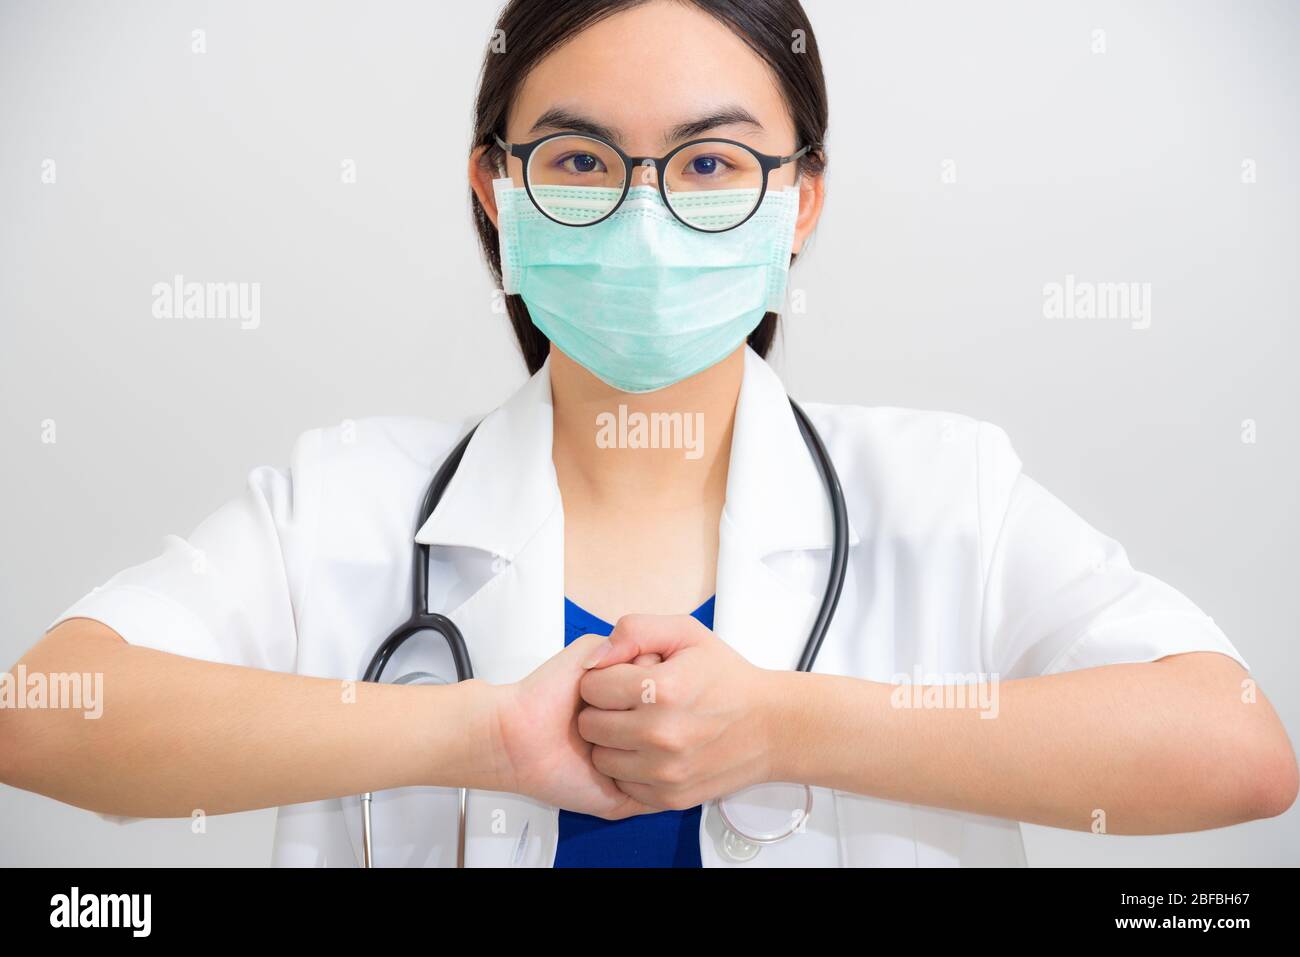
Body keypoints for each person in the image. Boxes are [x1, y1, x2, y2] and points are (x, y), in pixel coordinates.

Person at [2, 0, 1295, 867]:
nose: (645, 217)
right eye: (575, 162)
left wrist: (784, 725)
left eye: (712, 164)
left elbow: (1233, 746)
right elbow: (45, 713)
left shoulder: (946, 491)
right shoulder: (342, 501)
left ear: (803, 203)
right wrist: (477, 734)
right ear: (493, 190)